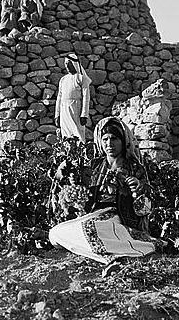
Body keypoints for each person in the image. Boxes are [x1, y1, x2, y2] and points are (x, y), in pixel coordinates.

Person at [49, 117, 159, 273]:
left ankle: (109, 256)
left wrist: (138, 188)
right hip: (94, 215)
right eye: (105, 139)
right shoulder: (94, 165)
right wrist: (73, 181)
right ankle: (115, 254)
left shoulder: (135, 167)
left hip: (118, 217)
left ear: (123, 141)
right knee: (55, 234)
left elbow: (146, 204)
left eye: (114, 138)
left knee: (90, 229)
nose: (109, 143)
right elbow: (82, 193)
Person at [55, 54, 91, 143]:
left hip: (76, 109)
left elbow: (86, 97)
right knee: (66, 134)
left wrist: (84, 115)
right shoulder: (63, 80)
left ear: (74, 64)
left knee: (77, 133)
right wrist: (57, 115)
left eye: (69, 63)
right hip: (64, 111)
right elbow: (59, 98)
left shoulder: (81, 79)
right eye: (66, 64)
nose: (67, 66)